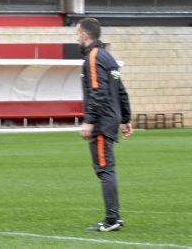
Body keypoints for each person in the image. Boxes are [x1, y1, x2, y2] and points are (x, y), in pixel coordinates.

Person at [76, 17, 132, 232]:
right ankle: (113, 217)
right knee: (106, 168)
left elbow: (97, 92)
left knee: (105, 169)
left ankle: (112, 219)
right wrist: (125, 119)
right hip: (111, 119)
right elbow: (120, 90)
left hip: (101, 121)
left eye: (77, 33)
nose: (76, 37)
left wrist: (89, 121)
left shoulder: (93, 57)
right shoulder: (109, 58)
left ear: (84, 34)